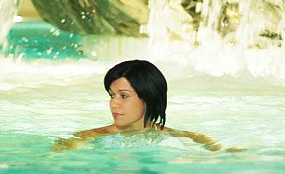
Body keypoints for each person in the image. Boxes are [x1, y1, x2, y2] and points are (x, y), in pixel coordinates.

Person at [54, 59, 222, 151]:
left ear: (148, 97)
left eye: (124, 96)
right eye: (112, 95)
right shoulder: (87, 137)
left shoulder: (184, 137)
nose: (114, 103)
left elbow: (216, 151)